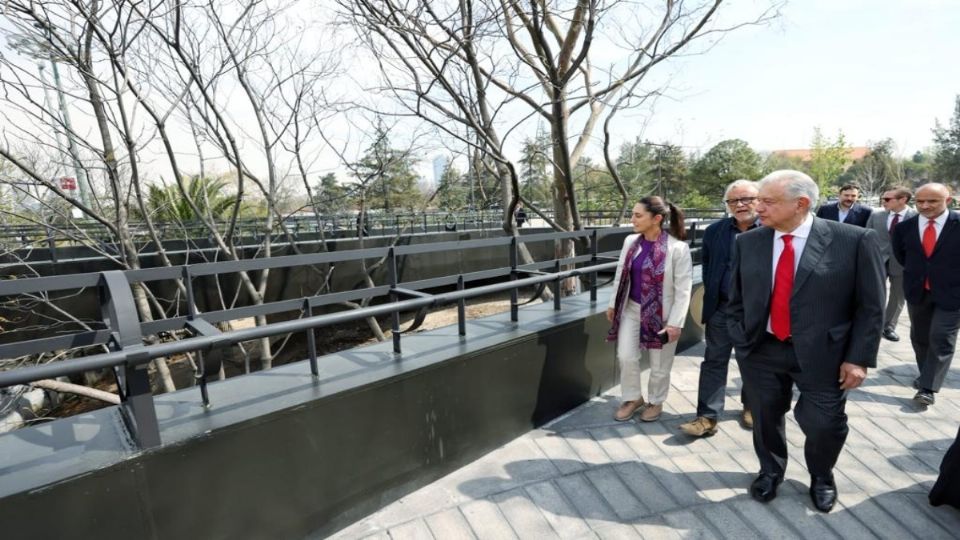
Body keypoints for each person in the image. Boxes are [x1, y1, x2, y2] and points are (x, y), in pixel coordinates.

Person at [727, 170, 884, 513]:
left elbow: (871, 307)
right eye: (758, 200)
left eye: (767, 201)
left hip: (826, 354)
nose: (758, 208)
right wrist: (741, 338)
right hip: (762, 349)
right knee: (766, 417)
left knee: (824, 423)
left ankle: (822, 475)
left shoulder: (855, 240)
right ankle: (770, 471)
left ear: (801, 204)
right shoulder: (748, 241)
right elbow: (735, 296)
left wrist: (858, 358)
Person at [679, 179, 759, 437]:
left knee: (754, 361)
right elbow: (710, 265)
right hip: (722, 309)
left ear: (759, 200)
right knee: (714, 361)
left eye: (746, 198)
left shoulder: (770, 230)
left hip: (757, 312)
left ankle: (752, 407)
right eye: (733, 200)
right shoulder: (715, 231)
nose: (740, 204)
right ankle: (707, 416)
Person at [606, 196, 693, 423]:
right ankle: (633, 398)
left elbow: (684, 290)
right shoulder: (630, 242)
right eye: (632, 214)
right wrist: (613, 303)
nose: (632, 219)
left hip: (662, 316)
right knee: (625, 356)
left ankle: (656, 400)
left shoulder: (678, 249)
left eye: (638, 215)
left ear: (656, 219)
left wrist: (675, 322)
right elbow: (620, 274)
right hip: (631, 309)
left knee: (659, 365)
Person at [891, 183, 960, 406]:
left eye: (932, 201)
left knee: (941, 338)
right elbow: (902, 256)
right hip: (918, 291)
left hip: (953, 294)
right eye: (920, 201)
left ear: (948, 201)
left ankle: (927, 387)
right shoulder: (904, 228)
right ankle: (926, 375)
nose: (925, 206)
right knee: (920, 338)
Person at [865, 186, 916, 342]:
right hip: (878, 261)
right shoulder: (876, 216)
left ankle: (888, 327)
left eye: (887, 199)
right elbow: (867, 238)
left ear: (903, 200)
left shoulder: (916, 217)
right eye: (882, 198)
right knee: (872, 294)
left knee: (898, 296)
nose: (883, 201)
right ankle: (871, 324)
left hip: (903, 264)